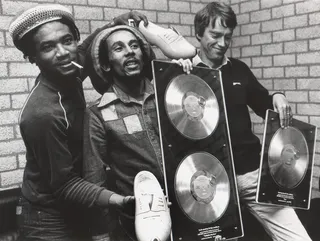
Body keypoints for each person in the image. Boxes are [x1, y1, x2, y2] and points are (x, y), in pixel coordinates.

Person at [8, 4, 149, 241]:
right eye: (48, 47)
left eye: (67, 40)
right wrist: (118, 200)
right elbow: (66, 186)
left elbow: (87, 46)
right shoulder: (42, 114)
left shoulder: (70, 70)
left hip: (77, 208)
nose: (63, 52)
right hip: (47, 220)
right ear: (32, 57)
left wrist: (116, 21)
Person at [188, 2, 311, 241]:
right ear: (198, 33)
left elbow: (264, 102)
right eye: (215, 35)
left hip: (251, 174)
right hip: (209, 180)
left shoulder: (239, 69)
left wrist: (278, 96)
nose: (222, 44)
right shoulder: (185, 73)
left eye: (228, 37)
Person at [82, 24, 203, 241]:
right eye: (118, 48)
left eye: (134, 45)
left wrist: (188, 78)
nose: (129, 51)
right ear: (107, 64)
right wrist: (101, 235)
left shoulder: (170, 94)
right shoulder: (98, 114)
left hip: (190, 208)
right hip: (142, 221)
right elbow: (94, 180)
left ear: (143, 55)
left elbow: (203, 132)